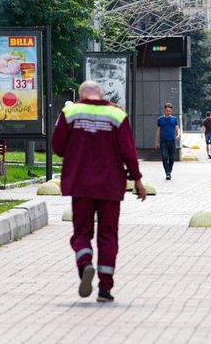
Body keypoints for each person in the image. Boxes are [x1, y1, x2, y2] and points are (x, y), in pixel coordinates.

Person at [52, 81, 147, 303]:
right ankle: (105, 289)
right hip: (110, 185)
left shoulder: (70, 112)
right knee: (108, 235)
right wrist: (137, 180)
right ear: (101, 95)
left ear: (80, 95)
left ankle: (85, 263)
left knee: (82, 232)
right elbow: (128, 151)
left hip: (80, 184)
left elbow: (58, 148)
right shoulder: (117, 114)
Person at [154, 103, 181, 180]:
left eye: (169, 111)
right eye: (167, 110)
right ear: (164, 110)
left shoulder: (174, 119)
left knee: (172, 158)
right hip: (163, 142)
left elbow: (177, 128)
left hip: (172, 141)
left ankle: (169, 171)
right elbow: (158, 130)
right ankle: (168, 173)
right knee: (164, 157)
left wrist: (178, 134)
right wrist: (156, 141)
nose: (168, 112)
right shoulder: (160, 119)